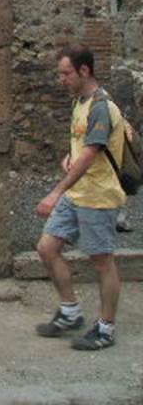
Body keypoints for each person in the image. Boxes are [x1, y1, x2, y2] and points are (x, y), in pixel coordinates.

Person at [34, 44, 127, 351]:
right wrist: (67, 158)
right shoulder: (80, 101)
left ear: (84, 71)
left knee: (102, 261)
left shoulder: (101, 106)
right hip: (78, 192)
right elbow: (81, 146)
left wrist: (56, 191)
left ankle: (106, 327)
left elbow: (91, 153)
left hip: (98, 196)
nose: (61, 79)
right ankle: (71, 311)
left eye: (65, 73)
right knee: (47, 247)